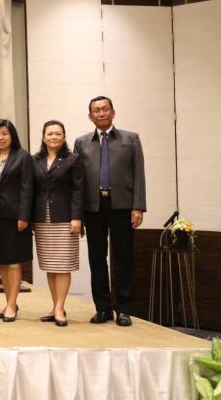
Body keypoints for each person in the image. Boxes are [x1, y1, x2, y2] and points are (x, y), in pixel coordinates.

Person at [74, 96, 146, 327]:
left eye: (105, 109)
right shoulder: (81, 143)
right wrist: (78, 213)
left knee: (123, 258)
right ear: (90, 116)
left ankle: (123, 309)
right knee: (96, 259)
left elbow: (139, 174)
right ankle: (103, 308)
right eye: (96, 110)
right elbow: (78, 181)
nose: (101, 113)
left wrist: (138, 206)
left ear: (113, 112)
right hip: (93, 207)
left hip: (122, 206)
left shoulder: (130, 139)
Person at [32, 120, 83, 327]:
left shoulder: (73, 159)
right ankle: (54, 307)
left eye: (57, 134)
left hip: (65, 217)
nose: (53, 137)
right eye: (50, 133)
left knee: (63, 265)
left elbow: (78, 190)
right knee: (50, 265)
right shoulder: (35, 160)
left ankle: (61, 308)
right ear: (43, 137)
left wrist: (76, 217)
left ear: (64, 137)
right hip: (42, 218)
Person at [0, 118, 33, 323]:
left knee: (13, 262)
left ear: (12, 135)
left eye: (5, 133)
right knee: (2, 262)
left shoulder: (23, 156)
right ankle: (8, 302)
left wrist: (24, 215)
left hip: (15, 217)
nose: (0, 137)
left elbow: (27, 188)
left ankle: (12, 304)